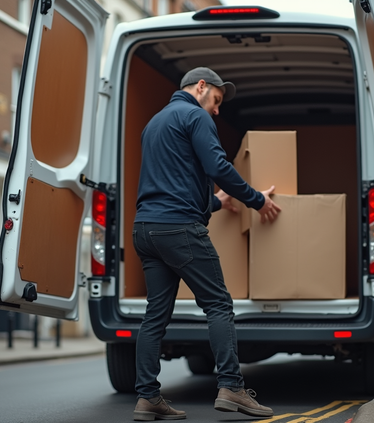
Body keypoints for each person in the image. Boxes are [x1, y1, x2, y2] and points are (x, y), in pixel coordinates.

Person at [131, 67, 281, 421]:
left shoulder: (153, 124)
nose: (216, 110)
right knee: (218, 304)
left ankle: (147, 397)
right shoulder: (195, 116)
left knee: (155, 315)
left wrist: (216, 202)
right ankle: (231, 386)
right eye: (216, 100)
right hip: (179, 230)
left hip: (145, 230)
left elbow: (172, 181)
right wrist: (256, 200)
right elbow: (217, 165)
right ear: (200, 87)